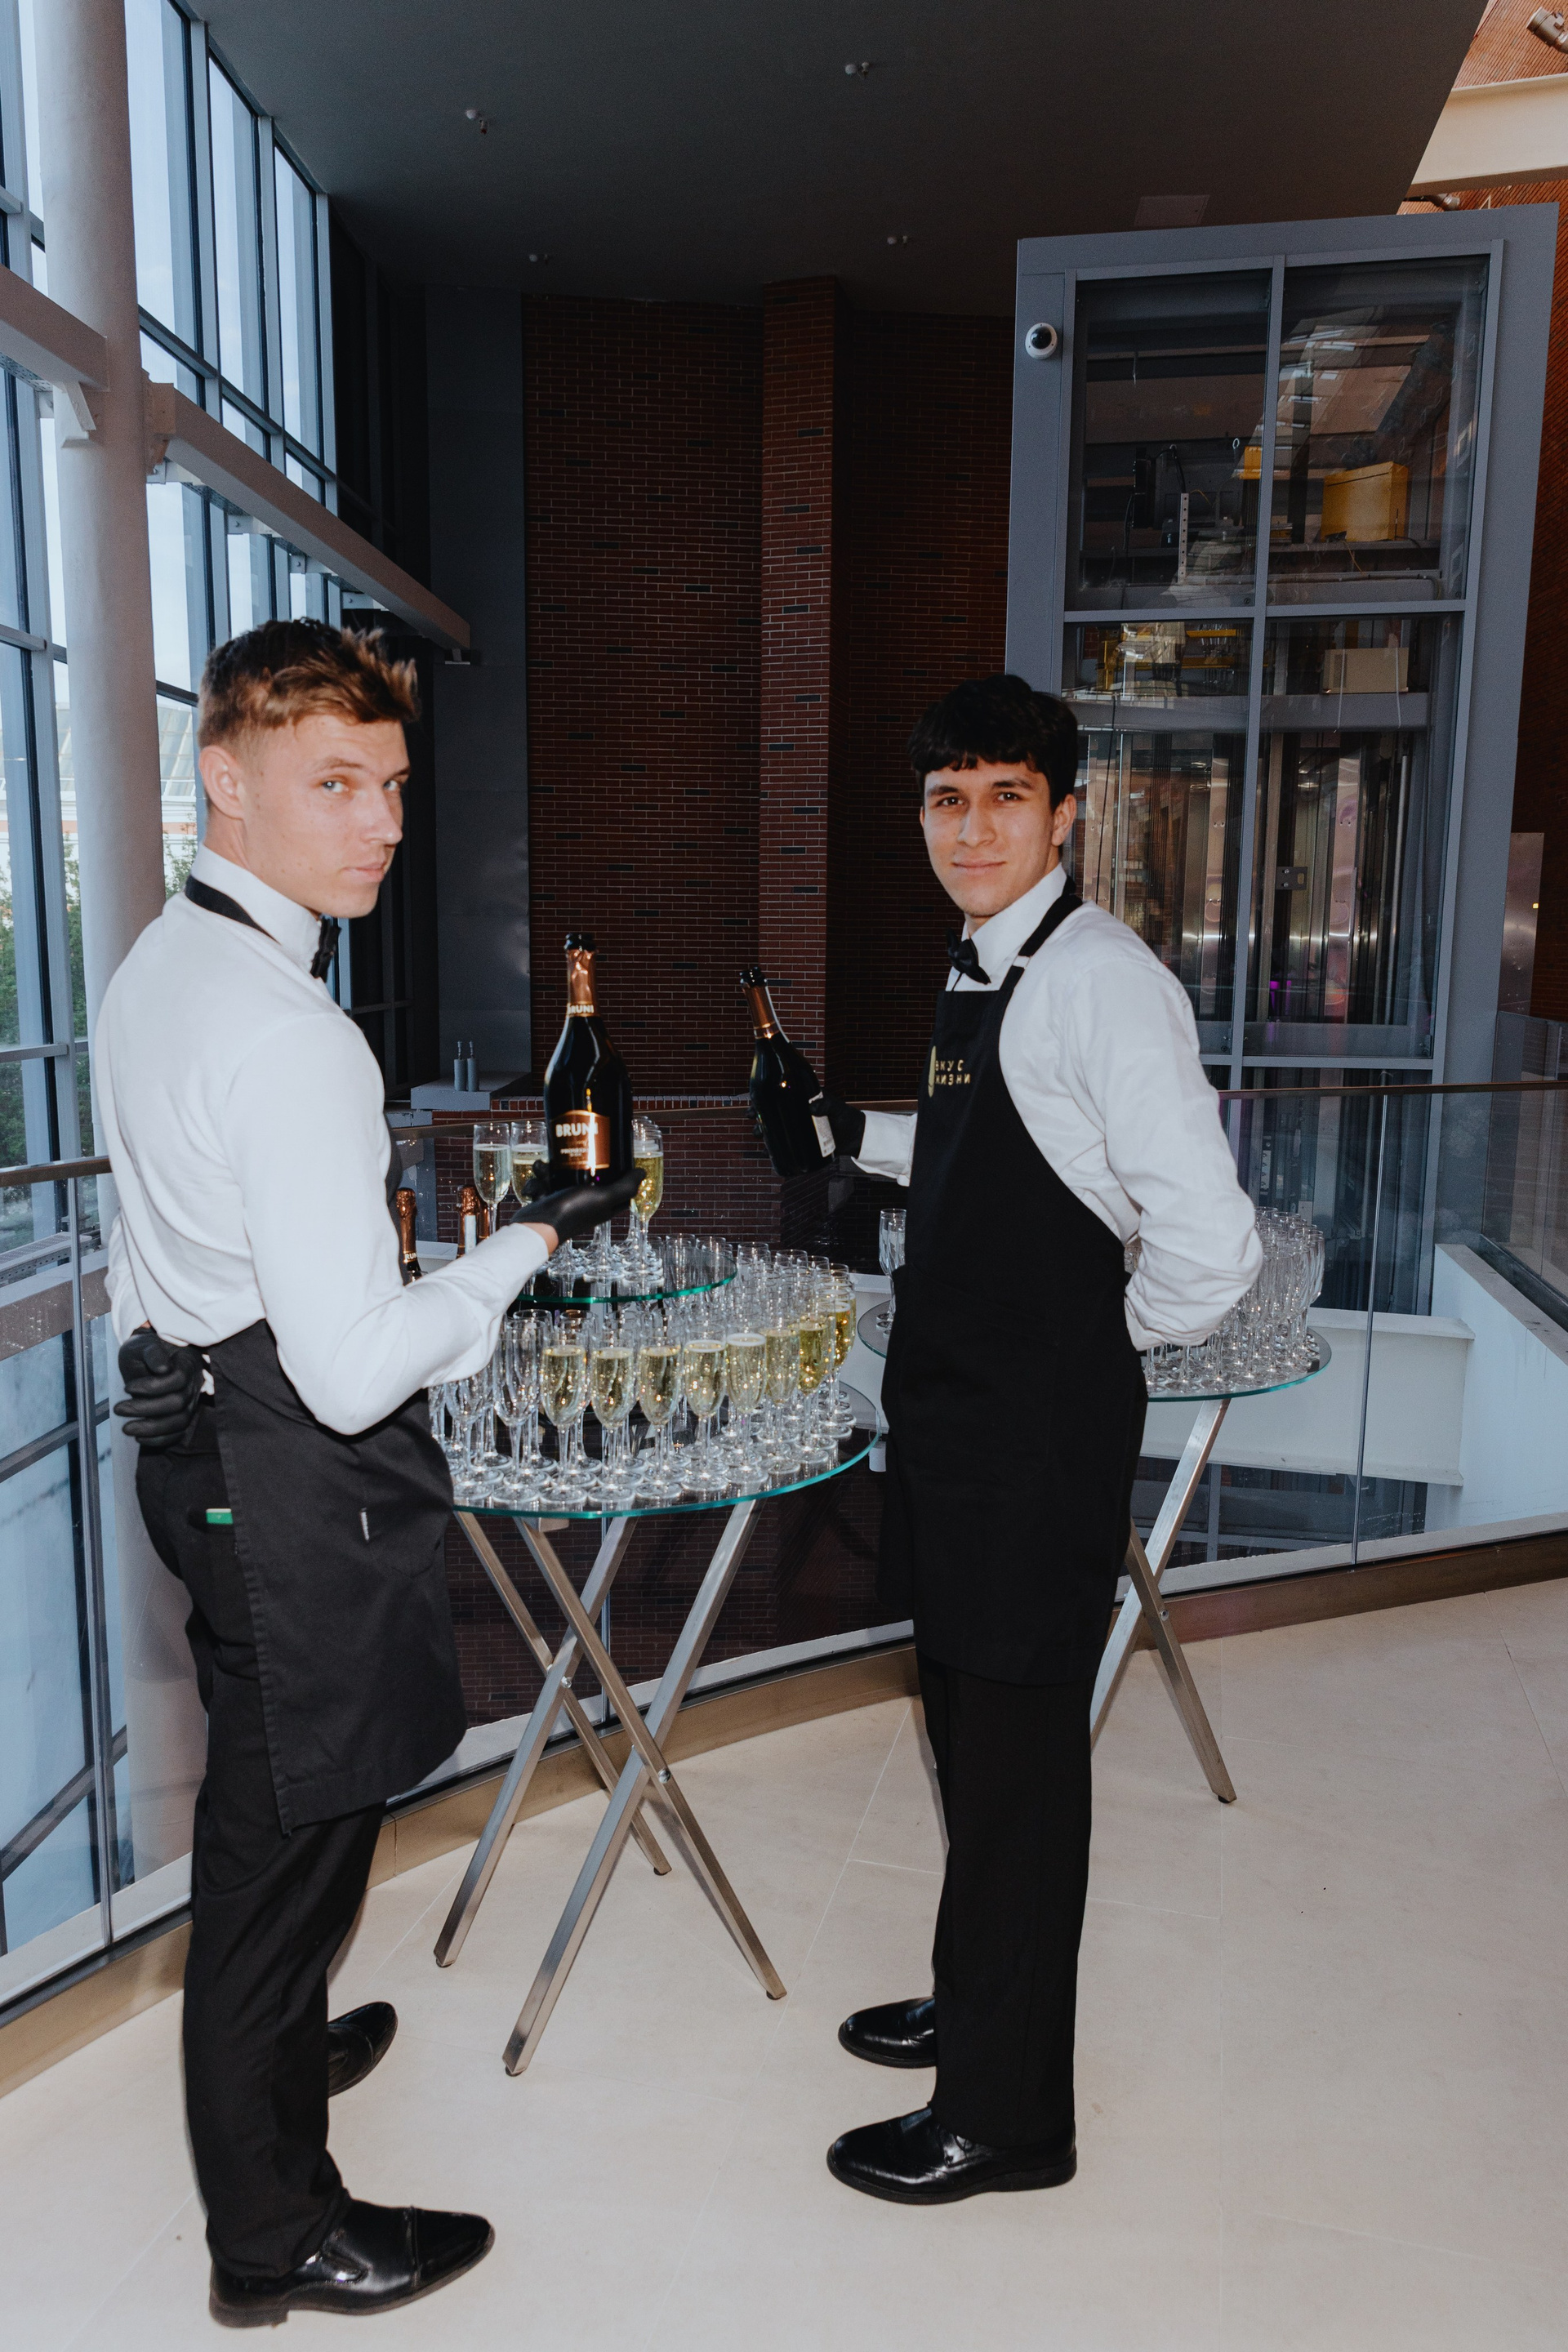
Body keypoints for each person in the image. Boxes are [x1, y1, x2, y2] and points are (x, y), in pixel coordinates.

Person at [100, 618, 635, 2325]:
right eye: (335, 784)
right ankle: (274, 2238)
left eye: (393, 785)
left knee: (283, 1805)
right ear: (224, 779)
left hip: (200, 1447)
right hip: (283, 1468)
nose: (383, 824)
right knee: (289, 1844)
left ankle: (279, 2045)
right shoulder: (291, 1034)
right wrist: (521, 1251)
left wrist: (173, 1335)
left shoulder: (155, 965)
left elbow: (165, 1230)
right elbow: (348, 1368)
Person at [819, 673, 1259, 2205]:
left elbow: (1212, 1247)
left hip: (1030, 1446)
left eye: (1007, 797)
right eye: (947, 799)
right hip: (957, 1428)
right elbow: (1000, 1138)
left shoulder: (1100, 982)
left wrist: (1091, 1346)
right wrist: (847, 1136)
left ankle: (1006, 2121)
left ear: (1066, 815)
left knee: (1017, 1778)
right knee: (969, 1742)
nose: (972, 828)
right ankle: (978, 1999)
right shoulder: (989, 967)